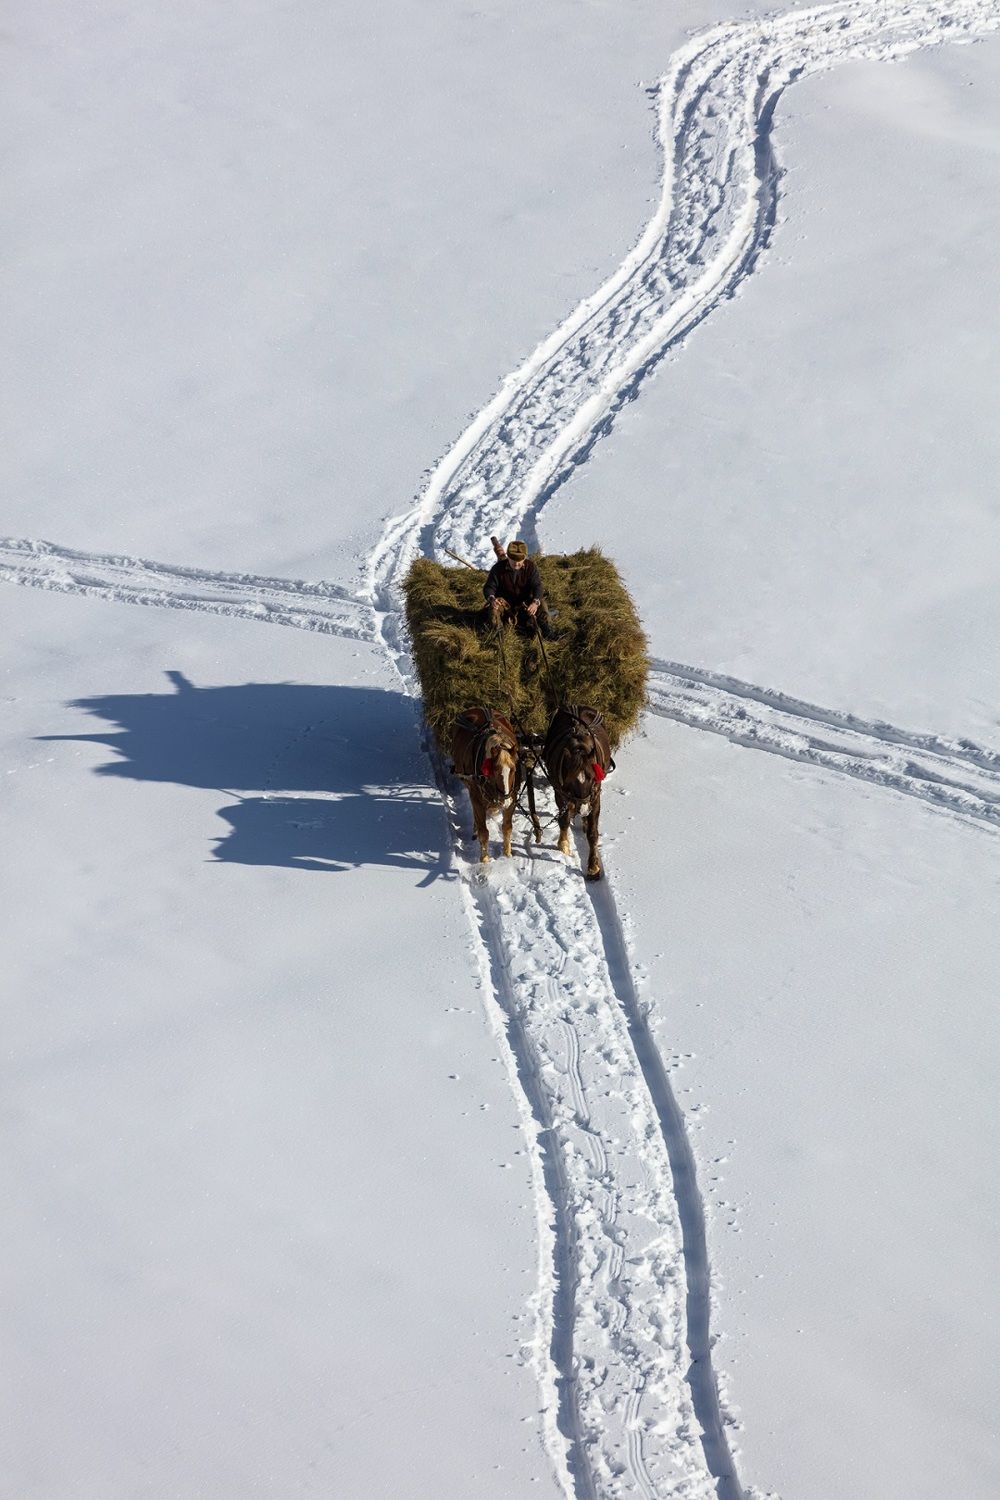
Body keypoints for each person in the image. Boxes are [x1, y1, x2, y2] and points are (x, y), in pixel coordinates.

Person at [483, 540, 550, 634]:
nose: (516, 564)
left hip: (525, 605)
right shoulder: (497, 568)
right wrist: (492, 598)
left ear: (524, 558)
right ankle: (498, 634)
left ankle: (547, 630)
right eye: (513, 561)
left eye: (519, 561)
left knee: (541, 602)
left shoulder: (531, 567)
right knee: (494, 608)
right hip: (505, 605)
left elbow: (537, 586)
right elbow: (489, 587)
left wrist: (535, 602)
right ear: (508, 557)